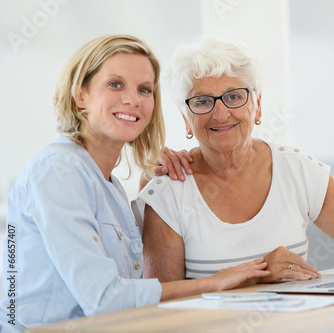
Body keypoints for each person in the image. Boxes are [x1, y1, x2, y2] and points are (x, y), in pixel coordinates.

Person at [135, 36, 334, 285]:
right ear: (186, 118)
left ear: (257, 106)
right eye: (203, 101)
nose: (221, 113)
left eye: (234, 96)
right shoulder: (168, 192)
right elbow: (160, 305)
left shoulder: (297, 170)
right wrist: (256, 275)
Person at [0, 35, 270, 333]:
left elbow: (128, 287)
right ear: (81, 96)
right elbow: (105, 299)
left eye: (144, 89)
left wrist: (147, 183)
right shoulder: (58, 171)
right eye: (115, 84)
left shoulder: (108, 183)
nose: (132, 99)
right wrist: (214, 283)